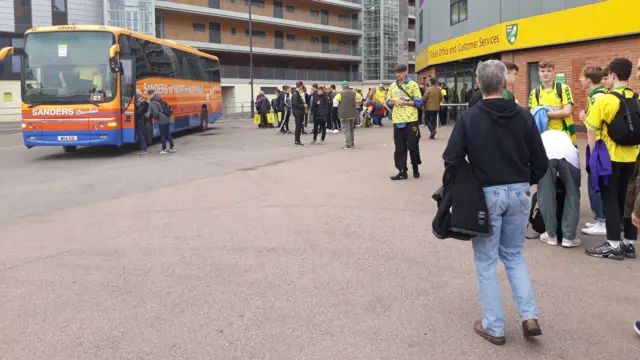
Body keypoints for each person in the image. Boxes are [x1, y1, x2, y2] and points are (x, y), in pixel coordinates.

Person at [443, 60, 548, 346]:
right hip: (519, 192)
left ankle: (495, 326)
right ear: (504, 83)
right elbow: (540, 162)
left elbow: (451, 159)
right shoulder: (524, 116)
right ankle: (529, 317)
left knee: (487, 261)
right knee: (514, 255)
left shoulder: (469, 118)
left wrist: (468, 182)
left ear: (478, 83)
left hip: (487, 194)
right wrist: (526, 181)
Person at [584, 58, 639, 260]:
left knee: (611, 200)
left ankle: (613, 244)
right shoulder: (636, 98)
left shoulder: (604, 100)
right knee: (628, 200)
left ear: (614, 76)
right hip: (632, 157)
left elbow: (591, 128)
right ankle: (629, 243)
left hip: (609, 157)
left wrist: (592, 155)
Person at [537, 129, 582, 248]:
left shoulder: (541, 135)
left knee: (546, 193)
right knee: (573, 194)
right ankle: (569, 237)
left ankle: (551, 235)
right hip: (570, 156)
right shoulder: (564, 135)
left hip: (546, 156)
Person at [579, 66, 608, 236]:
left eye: (582, 78)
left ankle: (601, 220)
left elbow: (593, 127)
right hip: (604, 146)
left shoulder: (596, 98)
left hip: (598, 145)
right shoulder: (603, 94)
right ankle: (600, 219)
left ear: (589, 79)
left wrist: (591, 151)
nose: (581, 81)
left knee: (595, 183)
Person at [528, 60, 577, 146]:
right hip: (544, 135)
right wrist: (557, 113)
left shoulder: (563, 88)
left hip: (563, 133)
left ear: (553, 72)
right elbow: (533, 113)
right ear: (539, 73)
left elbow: (567, 111)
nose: (545, 73)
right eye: (542, 71)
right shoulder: (534, 92)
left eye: (549, 71)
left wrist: (544, 113)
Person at [386, 64, 423, 180]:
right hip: (397, 120)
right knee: (399, 148)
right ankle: (402, 171)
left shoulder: (413, 85)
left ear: (405, 72)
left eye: (400, 72)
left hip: (411, 120)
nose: (398, 75)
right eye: (397, 73)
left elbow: (419, 102)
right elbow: (387, 102)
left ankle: (415, 166)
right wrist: (391, 102)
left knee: (413, 146)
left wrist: (406, 103)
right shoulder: (392, 86)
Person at [334, 81, 362, 150]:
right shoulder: (354, 93)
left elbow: (335, 102)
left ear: (342, 86)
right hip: (352, 114)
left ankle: (347, 145)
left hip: (344, 115)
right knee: (351, 129)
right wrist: (356, 102)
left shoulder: (340, 94)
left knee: (346, 130)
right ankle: (352, 143)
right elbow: (360, 98)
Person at [147, 89, 175, 154]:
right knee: (168, 133)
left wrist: (155, 117)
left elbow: (156, 112)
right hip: (167, 118)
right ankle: (172, 147)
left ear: (150, 94)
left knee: (162, 135)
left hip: (161, 120)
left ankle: (164, 149)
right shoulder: (160, 99)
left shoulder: (152, 102)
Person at [134, 89, 150, 155]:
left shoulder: (143, 102)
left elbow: (140, 112)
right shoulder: (140, 102)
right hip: (140, 120)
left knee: (141, 134)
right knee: (140, 134)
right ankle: (142, 148)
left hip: (141, 120)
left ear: (137, 95)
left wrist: (134, 111)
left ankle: (144, 149)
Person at [292, 81, 307, 146]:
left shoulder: (298, 93)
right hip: (298, 113)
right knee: (298, 127)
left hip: (299, 112)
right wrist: (303, 105)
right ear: (300, 86)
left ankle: (298, 140)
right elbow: (295, 104)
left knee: (299, 126)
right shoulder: (295, 93)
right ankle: (296, 140)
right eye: (302, 86)